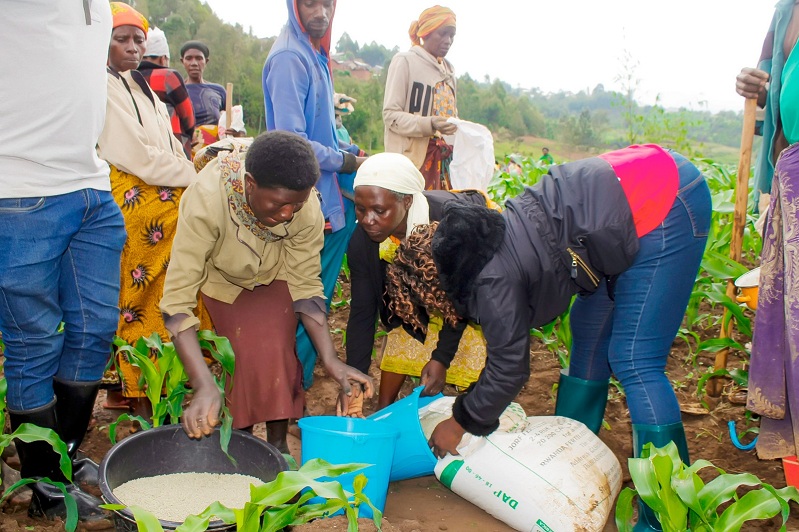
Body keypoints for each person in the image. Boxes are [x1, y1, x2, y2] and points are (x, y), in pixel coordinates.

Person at [385, 144, 710, 531]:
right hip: (607, 213)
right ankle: (569, 462)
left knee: (634, 359)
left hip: (664, 199)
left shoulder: (491, 281)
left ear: (439, 288)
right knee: (588, 336)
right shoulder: (467, 249)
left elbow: (508, 369)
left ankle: (667, 513)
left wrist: (460, 420)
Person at [160, 131, 373, 451]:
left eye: (295, 205)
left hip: (278, 274)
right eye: (278, 204)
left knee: (277, 350)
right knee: (243, 356)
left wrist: (332, 361)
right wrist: (204, 384)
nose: (287, 214)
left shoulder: (306, 207)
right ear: (249, 184)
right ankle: (243, 444)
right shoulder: (206, 199)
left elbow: (306, 286)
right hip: (224, 280)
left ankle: (277, 447)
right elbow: (177, 302)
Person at [0, 0, 126, 524]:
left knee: (94, 331)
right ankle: (47, 496)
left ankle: (63, 460)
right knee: (33, 346)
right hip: (19, 189)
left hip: (92, 186)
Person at [98, 3, 210, 420]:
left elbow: (164, 149)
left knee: (196, 232)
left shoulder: (139, 84)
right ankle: (145, 383)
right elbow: (135, 157)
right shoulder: (100, 84)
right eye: (121, 38)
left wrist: (191, 169)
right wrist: (195, 173)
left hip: (161, 181)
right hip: (128, 189)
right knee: (178, 231)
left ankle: (178, 371)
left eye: (137, 40)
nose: (131, 47)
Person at [263, 0, 367, 389]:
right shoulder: (292, 57)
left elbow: (319, 128)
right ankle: (288, 392)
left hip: (328, 196)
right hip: (311, 201)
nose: (320, 10)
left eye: (327, 2)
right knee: (307, 301)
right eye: (310, 2)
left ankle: (291, 388)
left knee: (312, 297)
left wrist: (349, 149)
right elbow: (294, 144)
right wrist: (344, 162)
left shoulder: (315, 52)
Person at [347, 153, 489, 408]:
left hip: (468, 293)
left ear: (408, 202)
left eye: (379, 210)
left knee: (472, 345)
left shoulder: (447, 227)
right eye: (360, 208)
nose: (368, 220)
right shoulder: (362, 241)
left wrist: (441, 358)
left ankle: (471, 408)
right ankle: (385, 411)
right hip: (422, 293)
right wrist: (354, 378)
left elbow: (461, 300)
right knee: (405, 328)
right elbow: (362, 311)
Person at [738, 1, 799, 463]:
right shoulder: (785, 10)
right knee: (786, 319)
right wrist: (753, 85)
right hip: (783, 174)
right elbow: (765, 85)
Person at [383, 6, 458, 190]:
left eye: (452, 35)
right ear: (426, 33)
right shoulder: (405, 62)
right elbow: (391, 115)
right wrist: (430, 124)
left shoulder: (449, 72)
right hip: (412, 164)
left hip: (444, 166)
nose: (448, 41)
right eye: (442, 34)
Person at [137, 26, 196, 158]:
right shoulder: (168, 77)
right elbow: (188, 117)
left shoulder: (128, 76)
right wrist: (192, 135)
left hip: (141, 150)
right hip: (172, 151)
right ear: (163, 59)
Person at [181, 40, 226, 152]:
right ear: (182, 61)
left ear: (206, 61)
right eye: (189, 58)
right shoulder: (177, 90)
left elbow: (229, 121)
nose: (194, 63)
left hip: (214, 153)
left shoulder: (218, 91)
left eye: (199, 58)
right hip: (185, 152)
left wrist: (235, 130)